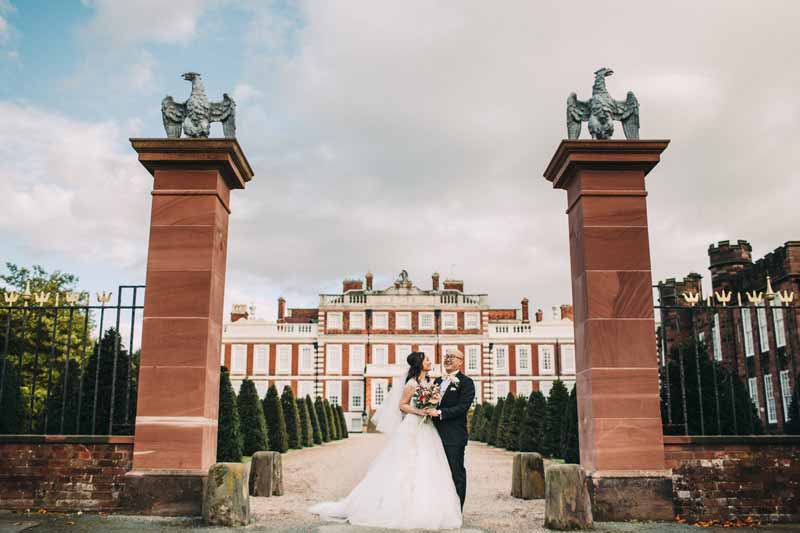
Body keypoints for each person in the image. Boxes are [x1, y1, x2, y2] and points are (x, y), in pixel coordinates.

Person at [308, 351, 462, 530]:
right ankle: (401, 508)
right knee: (405, 465)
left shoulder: (430, 382)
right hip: (413, 426)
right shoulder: (411, 383)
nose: (430, 362)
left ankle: (429, 507)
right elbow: (402, 405)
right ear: (419, 364)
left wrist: (430, 407)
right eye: (427, 359)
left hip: (427, 427)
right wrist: (420, 411)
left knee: (428, 464)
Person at [425, 348, 475, 510]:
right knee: (436, 472)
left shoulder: (466, 382)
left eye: (452, 357)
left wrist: (439, 412)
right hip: (433, 434)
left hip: (454, 436)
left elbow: (462, 407)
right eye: (446, 356)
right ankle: (440, 508)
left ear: (461, 361)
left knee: (456, 473)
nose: (447, 359)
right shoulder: (438, 381)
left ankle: (456, 510)